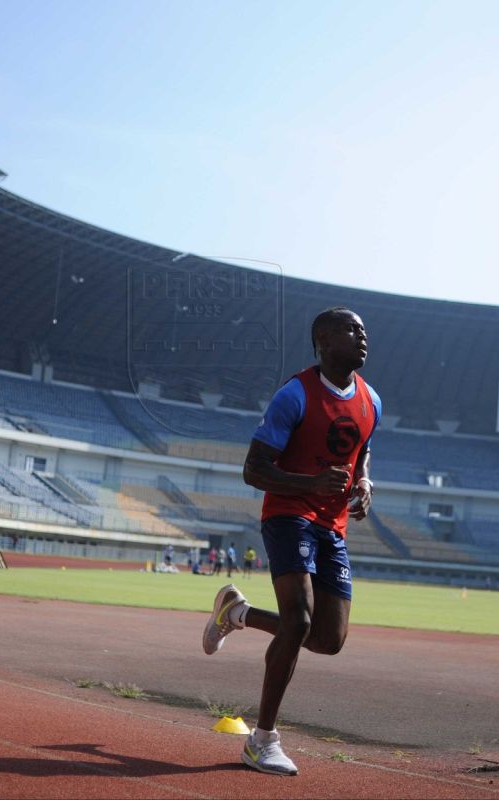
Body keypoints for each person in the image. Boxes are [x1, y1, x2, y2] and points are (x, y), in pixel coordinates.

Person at [202, 307, 380, 776]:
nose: (362, 337)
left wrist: (364, 482)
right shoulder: (295, 394)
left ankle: (235, 613)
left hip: (333, 526)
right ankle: (262, 741)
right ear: (323, 339)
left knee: (327, 639)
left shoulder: (372, 401)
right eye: (351, 330)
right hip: (289, 514)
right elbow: (253, 470)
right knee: (298, 621)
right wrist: (310, 483)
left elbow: (361, 454)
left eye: (364, 331)